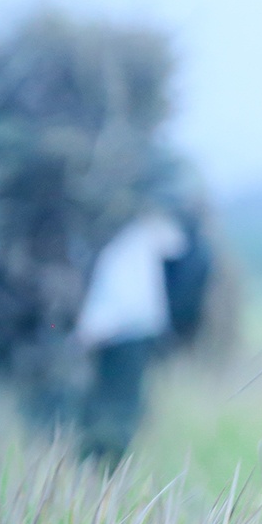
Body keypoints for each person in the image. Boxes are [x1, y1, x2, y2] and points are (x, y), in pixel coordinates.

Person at [73, 200, 211, 466]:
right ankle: (107, 463)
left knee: (114, 401)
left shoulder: (128, 247)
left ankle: (104, 462)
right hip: (136, 336)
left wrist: (87, 333)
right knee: (124, 401)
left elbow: (120, 299)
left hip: (120, 337)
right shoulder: (148, 245)